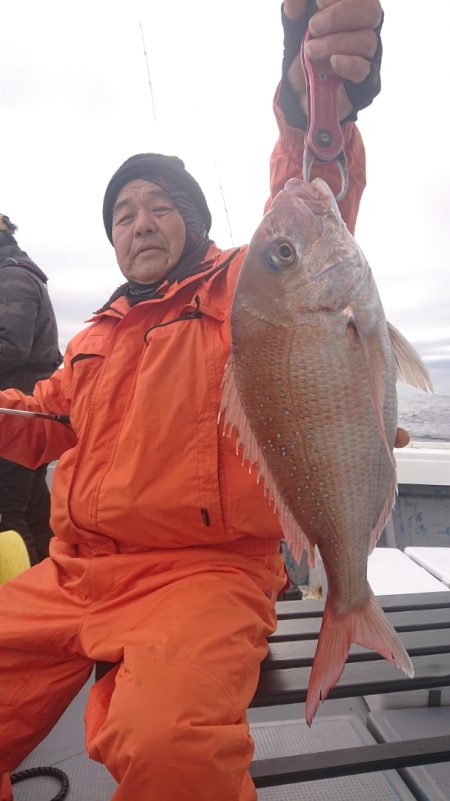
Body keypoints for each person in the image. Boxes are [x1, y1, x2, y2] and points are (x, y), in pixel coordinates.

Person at [0, 1, 386, 799]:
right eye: (121, 214)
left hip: (201, 577)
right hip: (73, 573)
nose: (138, 224)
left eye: (157, 205)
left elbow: (309, 195)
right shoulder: (96, 334)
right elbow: (44, 418)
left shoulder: (245, 294)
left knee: (168, 749)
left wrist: (309, 99)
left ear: (194, 218)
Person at [0, 214, 62, 565]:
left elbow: (11, 346)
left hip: (18, 419)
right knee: (34, 507)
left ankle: (20, 598)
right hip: (24, 418)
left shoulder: (11, 275)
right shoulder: (15, 271)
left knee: (6, 516)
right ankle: (53, 581)